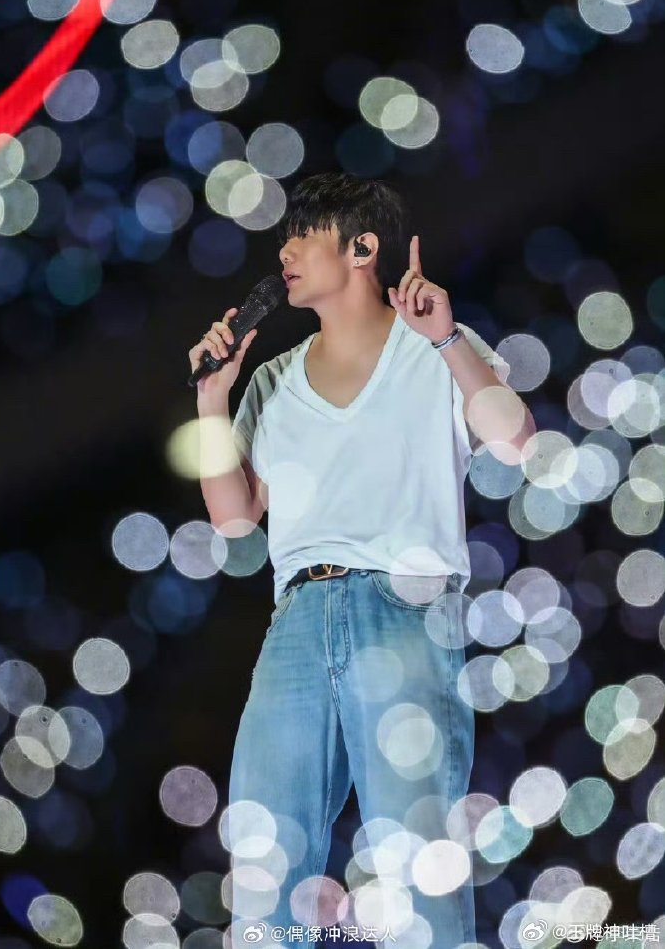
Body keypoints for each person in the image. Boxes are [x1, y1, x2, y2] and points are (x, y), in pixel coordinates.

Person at [189, 173, 535, 949]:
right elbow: (233, 516)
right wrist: (213, 400)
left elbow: (517, 440)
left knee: (415, 861)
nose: (284, 252)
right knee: (266, 865)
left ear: (362, 248)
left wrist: (447, 338)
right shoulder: (273, 379)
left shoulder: (433, 348)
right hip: (297, 618)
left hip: (405, 607)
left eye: (303, 235)